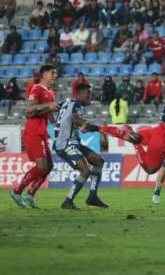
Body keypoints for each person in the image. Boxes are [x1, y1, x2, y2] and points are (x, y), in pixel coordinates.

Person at [9, 65, 59, 209]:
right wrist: (48, 106)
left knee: (49, 166)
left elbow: (48, 112)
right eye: (51, 72)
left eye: (55, 72)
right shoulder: (36, 89)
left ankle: (30, 194)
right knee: (41, 166)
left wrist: (56, 123)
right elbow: (29, 111)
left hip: (42, 132)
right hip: (33, 131)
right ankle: (17, 192)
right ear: (43, 74)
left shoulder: (51, 92)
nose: (54, 75)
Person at [53, 84, 108, 209]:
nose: (90, 96)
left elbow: (55, 110)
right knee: (86, 170)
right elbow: (75, 118)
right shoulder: (77, 105)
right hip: (65, 143)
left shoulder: (67, 102)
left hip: (73, 142)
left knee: (98, 161)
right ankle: (68, 201)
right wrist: (90, 126)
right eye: (88, 94)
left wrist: (54, 121)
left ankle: (92, 197)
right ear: (79, 94)